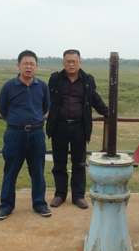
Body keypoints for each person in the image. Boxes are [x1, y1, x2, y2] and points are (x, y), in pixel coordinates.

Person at [46, 49, 108, 209]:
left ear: (80, 63)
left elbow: (94, 98)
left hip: (80, 126)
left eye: (74, 61)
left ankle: (78, 196)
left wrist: (108, 113)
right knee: (59, 162)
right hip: (59, 126)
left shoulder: (87, 79)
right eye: (68, 61)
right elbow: (47, 99)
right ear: (63, 63)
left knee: (79, 163)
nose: (71, 64)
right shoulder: (55, 78)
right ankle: (60, 194)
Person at [0, 50, 52, 220]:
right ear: (18, 65)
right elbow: (2, 108)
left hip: (36, 134)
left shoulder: (42, 86)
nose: (29, 67)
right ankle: (5, 206)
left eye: (32, 64)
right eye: (25, 63)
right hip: (15, 135)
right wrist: (15, 122)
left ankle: (40, 204)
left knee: (38, 172)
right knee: (10, 172)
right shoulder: (9, 86)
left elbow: (45, 107)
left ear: (36, 66)